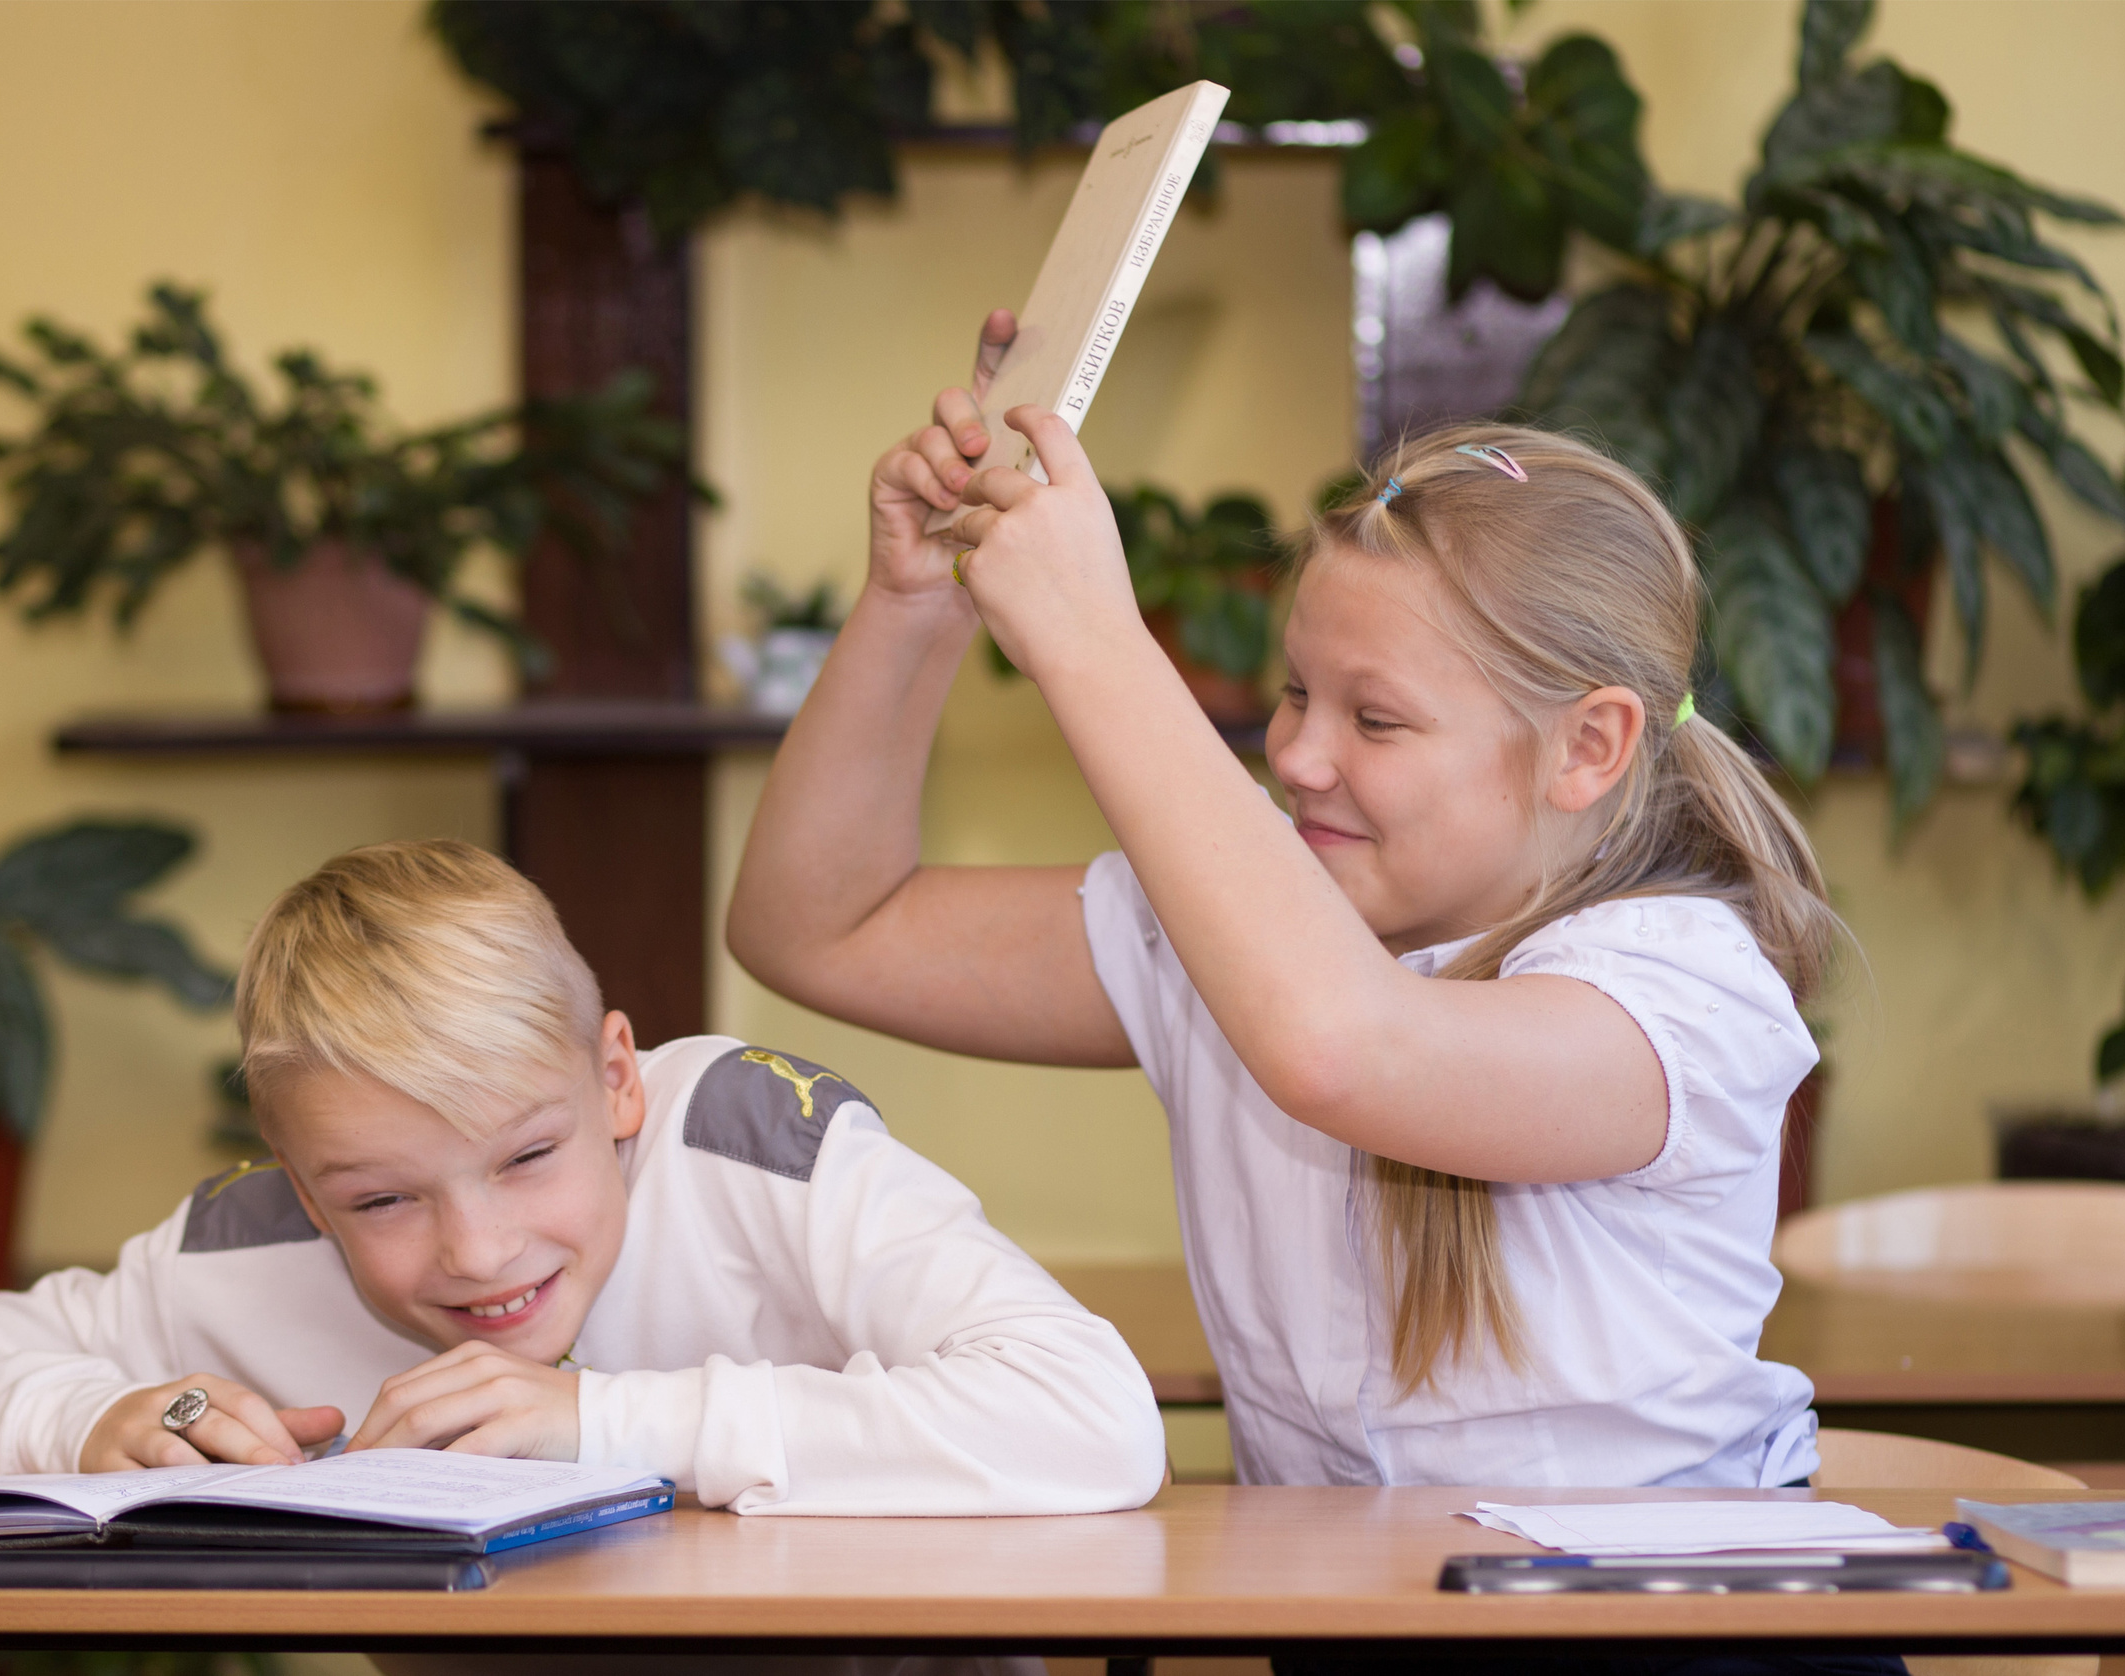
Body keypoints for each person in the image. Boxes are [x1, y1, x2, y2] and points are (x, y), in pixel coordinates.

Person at [729, 314, 1842, 1501]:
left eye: (1375, 719)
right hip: (1348, 1624)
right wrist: (916, 601)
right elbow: (818, 924)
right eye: (1295, 692)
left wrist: (1091, 637)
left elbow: (1344, 1050)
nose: (1299, 756)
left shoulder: (1681, 990)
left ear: (1589, 745)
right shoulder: (1231, 919)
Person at [0, 837, 1167, 1535]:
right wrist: (88, 1418)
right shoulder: (243, 1248)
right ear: (303, 1187)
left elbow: (1095, 1419)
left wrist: (599, 1419)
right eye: (382, 1201)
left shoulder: (755, 1143)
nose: (477, 1249)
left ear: (617, 1080)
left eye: (528, 1155)